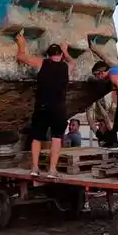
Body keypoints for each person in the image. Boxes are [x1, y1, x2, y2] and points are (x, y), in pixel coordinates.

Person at [15, 32, 75, 179]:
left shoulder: (42, 63)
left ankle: (35, 168)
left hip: (42, 107)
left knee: (37, 137)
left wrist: (21, 44)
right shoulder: (66, 67)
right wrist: (66, 51)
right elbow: (73, 62)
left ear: (48, 55)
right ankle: (52, 170)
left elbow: (21, 58)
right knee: (56, 138)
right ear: (60, 55)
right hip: (58, 108)